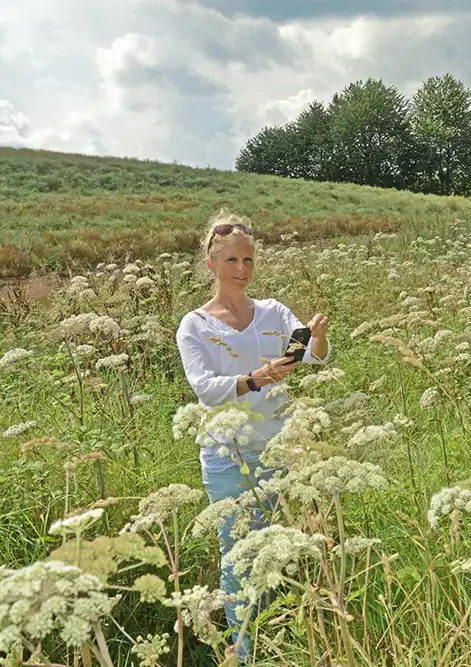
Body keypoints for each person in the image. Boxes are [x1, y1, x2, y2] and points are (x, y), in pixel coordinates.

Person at [175, 210, 331, 661]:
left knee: (282, 547)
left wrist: (316, 339)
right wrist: (258, 378)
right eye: (231, 260)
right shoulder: (195, 324)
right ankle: (246, 652)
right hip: (227, 455)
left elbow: (314, 358)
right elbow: (205, 388)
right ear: (211, 263)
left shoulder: (274, 312)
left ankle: (282, 641)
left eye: (248, 260)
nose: (241, 269)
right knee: (239, 553)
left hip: (280, 446)